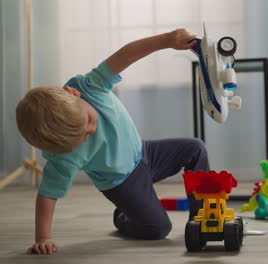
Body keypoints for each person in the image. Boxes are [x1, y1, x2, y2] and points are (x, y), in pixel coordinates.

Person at [16, 29, 207, 255]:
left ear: (73, 93)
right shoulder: (62, 157)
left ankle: (201, 219)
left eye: (87, 120)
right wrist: (43, 238)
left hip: (145, 152)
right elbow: (48, 194)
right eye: (83, 137)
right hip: (122, 184)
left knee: (195, 149)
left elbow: (126, 54)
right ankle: (123, 217)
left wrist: (167, 40)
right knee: (158, 229)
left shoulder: (89, 86)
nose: (92, 129)